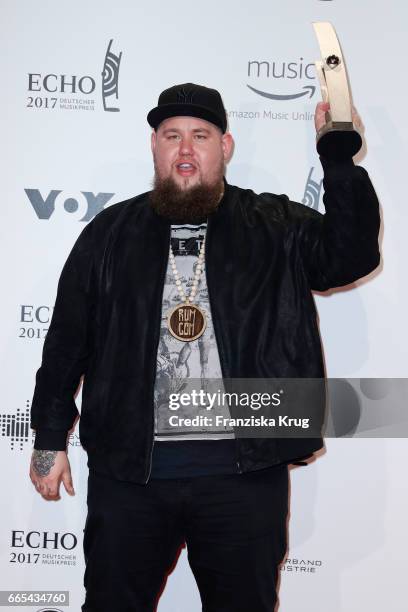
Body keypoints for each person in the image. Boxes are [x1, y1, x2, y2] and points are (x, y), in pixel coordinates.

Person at [29, 83, 380, 611]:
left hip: (243, 475)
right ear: (154, 146)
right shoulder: (109, 234)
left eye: (200, 135)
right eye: (172, 136)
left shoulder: (275, 225)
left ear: (226, 146)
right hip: (131, 477)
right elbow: (65, 343)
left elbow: (349, 255)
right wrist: (49, 437)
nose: (186, 149)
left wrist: (336, 154)